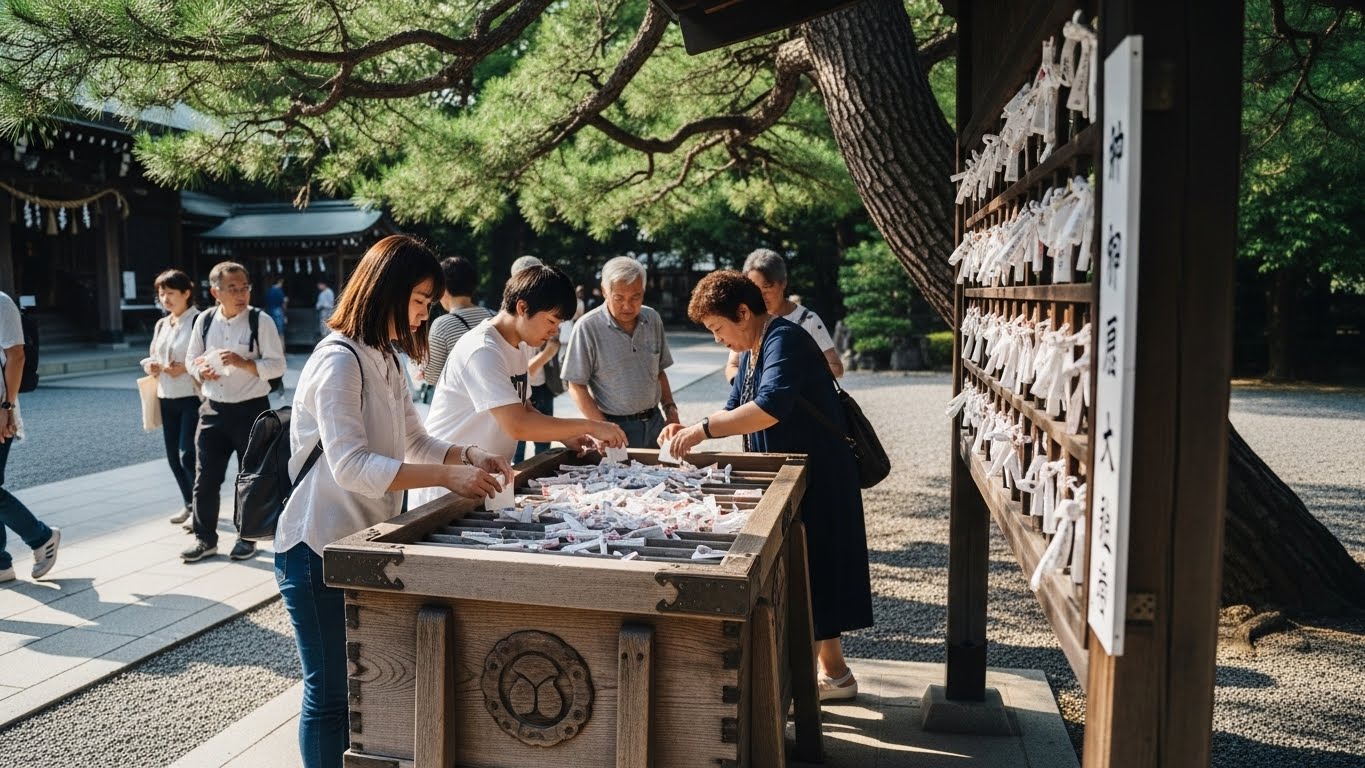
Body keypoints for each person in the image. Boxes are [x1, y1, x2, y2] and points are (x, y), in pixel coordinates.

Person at [275, 235, 512, 768]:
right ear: (386, 288)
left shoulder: (383, 356)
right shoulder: (337, 360)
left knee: (361, 687)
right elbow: (352, 467)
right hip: (314, 547)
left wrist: (470, 453)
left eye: (429, 303)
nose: (424, 314)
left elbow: (416, 438)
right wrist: (448, 477)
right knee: (330, 693)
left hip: (361, 544)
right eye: (420, 300)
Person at [660, 270, 873, 702]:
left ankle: (790, 696)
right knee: (812, 578)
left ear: (743, 312)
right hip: (790, 476)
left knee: (811, 578)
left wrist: (702, 431)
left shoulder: (784, 339)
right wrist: (689, 431)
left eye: (719, 329)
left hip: (819, 477)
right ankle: (836, 676)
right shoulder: (755, 348)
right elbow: (733, 407)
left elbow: (770, 407)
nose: (719, 340)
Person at [413, 264, 626, 507]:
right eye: (551, 321)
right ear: (523, 307)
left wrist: (569, 434)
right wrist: (593, 426)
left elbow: (524, 408)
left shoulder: (518, 344)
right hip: (448, 487)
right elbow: (518, 425)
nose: (554, 331)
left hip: (484, 480)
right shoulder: (483, 349)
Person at [181, 262, 287, 563]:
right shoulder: (203, 320)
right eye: (232, 289)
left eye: (245, 287)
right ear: (216, 292)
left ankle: (247, 537)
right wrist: (202, 371)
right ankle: (205, 539)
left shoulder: (260, 320)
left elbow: (277, 365)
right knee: (205, 477)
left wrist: (245, 363)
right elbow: (191, 360)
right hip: (212, 408)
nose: (241, 294)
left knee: (250, 477)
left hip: (252, 410)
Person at [562, 256, 679, 449]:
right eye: (619, 298)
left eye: (636, 297)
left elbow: (659, 372)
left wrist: (671, 412)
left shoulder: (653, 319)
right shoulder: (587, 327)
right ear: (604, 291)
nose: (628, 306)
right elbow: (576, 386)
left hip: (656, 423)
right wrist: (601, 428)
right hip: (615, 428)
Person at [0, 291, 59, 583]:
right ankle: (1, 564)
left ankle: (41, 537)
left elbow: (16, 355)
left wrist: (6, 407)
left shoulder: (1, 302)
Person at [724, 248, 844, 383]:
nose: (761, 296)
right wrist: (741, 385)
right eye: (754, 289)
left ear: (783, 283)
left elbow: (837, 368)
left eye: (767, 288)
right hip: (758, 402)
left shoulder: (807, 320)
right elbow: (733, 365)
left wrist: (794, 374)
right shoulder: (747, 319)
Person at [144, 270, 201, 526]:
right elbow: (152, 355)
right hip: (165, 395)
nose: (165, 298)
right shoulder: (162, 324)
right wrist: (152, 366)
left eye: (170, 293)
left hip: (192, 395)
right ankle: (189, 504)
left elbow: (207, 356)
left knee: (188, 454)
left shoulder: (199, 320)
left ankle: (200, 508)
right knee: (172, 456)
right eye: (161, 293)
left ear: (186, 293)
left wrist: (187, 367)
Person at [420, 256, 494, 400]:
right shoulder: (495, 316)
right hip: (497, 402)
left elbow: (433, 376)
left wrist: (423, 369)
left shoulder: (442, 325)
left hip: (463, 408)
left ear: (444, 289)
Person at [508, 256, 560, 462]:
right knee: (517, 450)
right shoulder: (509, 328)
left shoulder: (544, 311)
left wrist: (565, 434)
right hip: (524, 384)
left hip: (542, 386)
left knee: (544, 449)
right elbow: (518, 425)